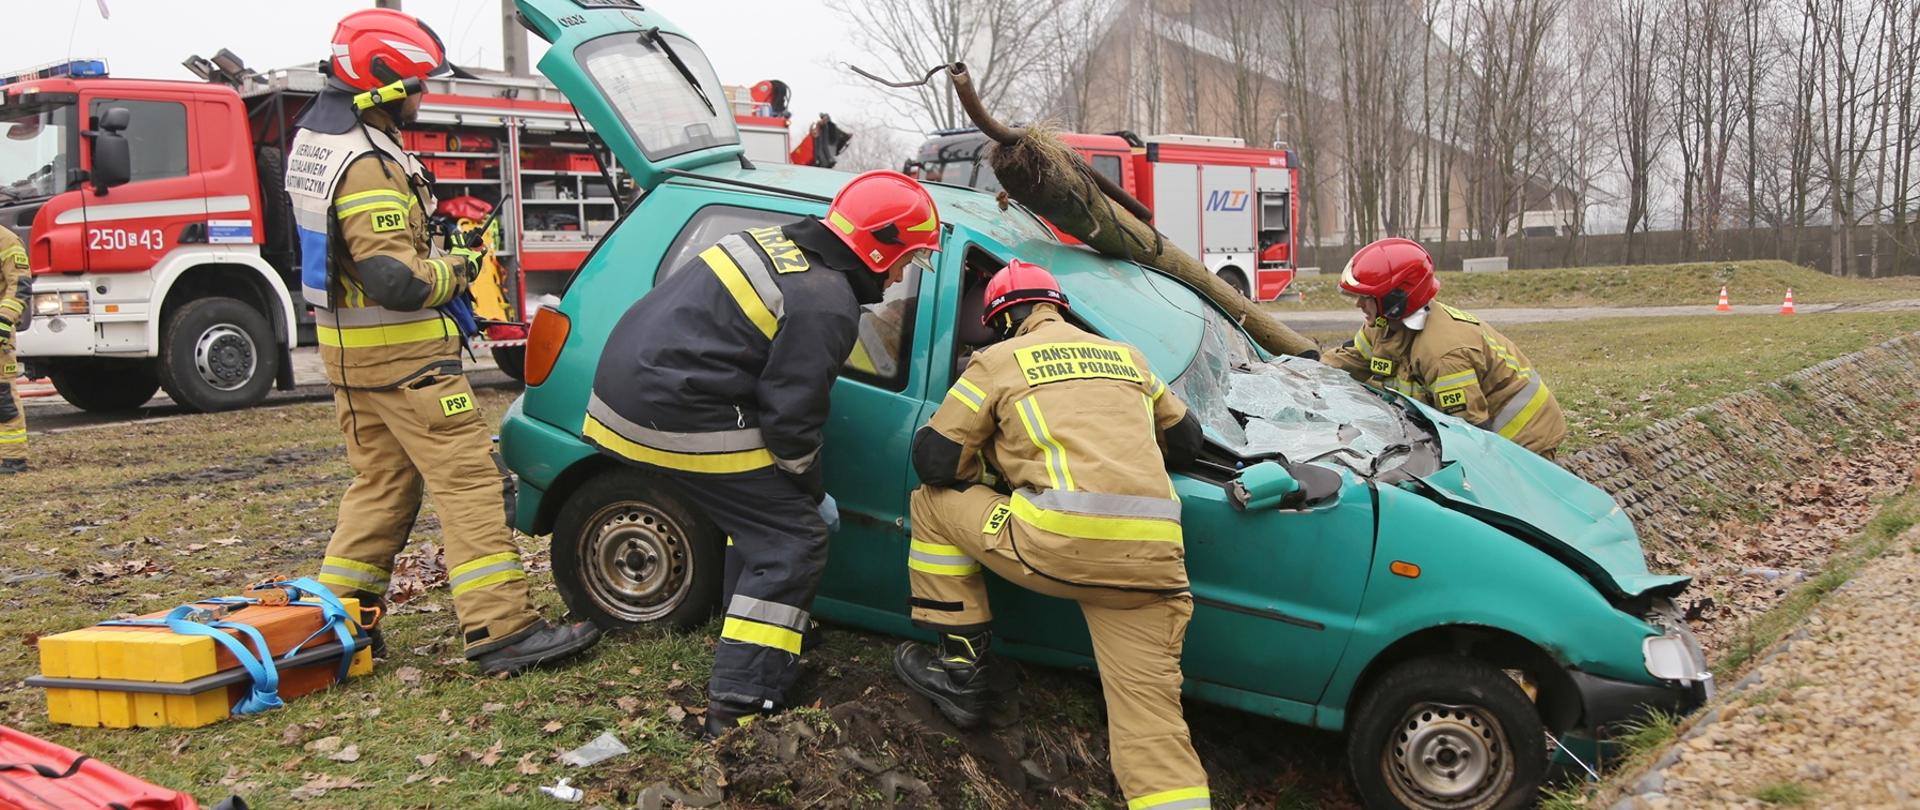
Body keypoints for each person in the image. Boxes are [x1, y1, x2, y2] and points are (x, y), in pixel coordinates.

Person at [287, 8, 600, 674]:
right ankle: (501, 629)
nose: (423, 98)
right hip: (406, 363)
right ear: (382, 86)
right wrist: (456, 268)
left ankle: (337, 626)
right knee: (469, 486)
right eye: (416, 86)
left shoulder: (319, 141)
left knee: (380, 488)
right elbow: (393, 279)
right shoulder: (367, 162)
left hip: (351, 359)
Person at [583, 170, 941, 735]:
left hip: (632, 391)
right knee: (792, 539)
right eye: (909, 260)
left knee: (757, 516)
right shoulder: (826, 302)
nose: (902, 279)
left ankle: (750, 628)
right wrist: (811, 491)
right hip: (675, 410)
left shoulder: (771, 242)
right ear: (880, 248)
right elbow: (793, 422)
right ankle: (743, 700)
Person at [896, 260, 1213, 810]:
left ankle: (962, 670)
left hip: (1054, 542)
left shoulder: (996, 361)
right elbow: (1186, 441)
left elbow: (935, 461)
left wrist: (994, 457)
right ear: (1061, 306)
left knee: (933, 505)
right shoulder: (1127, 357)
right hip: (1152, 566)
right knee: (1154, 730)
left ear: (1001, 319)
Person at [1323, 238, 1567, 458]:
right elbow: (1351, 360)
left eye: (1365, 297)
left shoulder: (1444, 354)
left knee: (1500, 504)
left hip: (1522, 438)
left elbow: (1467, 435)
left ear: (1395, 300)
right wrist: (1302, 371)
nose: (1357, 304)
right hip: (1483, 431)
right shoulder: (1384, 325)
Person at [0, 226, 29, 473]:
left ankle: (13, 458)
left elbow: (19, 285)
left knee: (3, 398)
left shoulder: (6, 240)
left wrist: (4, 320)